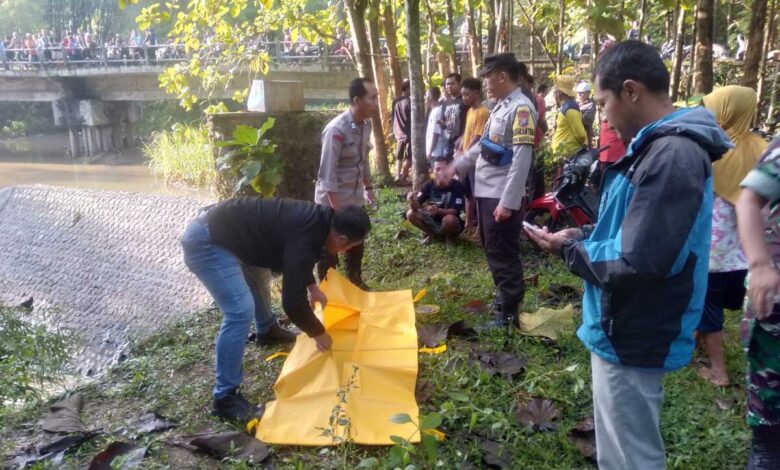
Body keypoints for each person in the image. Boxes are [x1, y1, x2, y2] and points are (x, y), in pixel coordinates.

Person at [526, 40, 732, 470]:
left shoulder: (672, 154)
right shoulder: (657, 147)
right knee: (620, 446)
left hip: (635, 326)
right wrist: (581, 233)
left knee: (631, 456)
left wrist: (570, 249)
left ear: (632, 91)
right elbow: (630, 229)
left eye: (602, 103)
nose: (600, 116)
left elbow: (639, 259)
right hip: (625, 321)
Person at [181, 198, 371, 422]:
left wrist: (312, 287)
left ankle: (267, 330)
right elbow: (292, 303)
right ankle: (225, 398)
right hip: (208, 240)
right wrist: (319, 333)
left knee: (259, 275)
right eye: (348, 247)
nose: (346, 250)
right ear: (341, 239)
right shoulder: (309, 233)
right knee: (240, 311)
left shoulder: (320, 221)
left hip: (235, 237)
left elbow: (297, 258)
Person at [695, 86, 768, 387]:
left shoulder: (715, 151)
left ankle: (718, 369)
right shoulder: (763, 148)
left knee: (708, 306)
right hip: (749, 252)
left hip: (714, 250)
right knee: (725, 306)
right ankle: (697, 340)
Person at [463, 52, 537, 328]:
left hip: (501, 194)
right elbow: (483, 146)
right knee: (493, 248)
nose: (485, 82)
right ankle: (504, 301)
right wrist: (455, 166)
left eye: (487, 76)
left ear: (502, 76)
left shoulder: (521, 109)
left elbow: (522, 158)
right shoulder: (501, 106)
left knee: (502, 251)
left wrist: (508, 202)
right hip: (487, 190)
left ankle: (508, 314)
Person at [736, 137, 780, 470]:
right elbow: (748, 200)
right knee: (769, 377)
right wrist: (761, 265)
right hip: (775, 290)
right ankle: (765, 444)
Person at [315, 77, 378, 290]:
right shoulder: (336, 130)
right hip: (332, 201)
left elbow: (363, 159)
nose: (376, 103)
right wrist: (336, 210)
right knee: (329, 248)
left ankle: (355, 282)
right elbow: (327, 174)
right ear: (357, 100)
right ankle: (329, 290)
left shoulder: (366, 125)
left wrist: (368, 187)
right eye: (373, 98)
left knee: (356, 241)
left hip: (354, 197)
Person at [406, 157, 467, 246]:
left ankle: (449, 238)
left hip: (450, 221)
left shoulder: (457, 186)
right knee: (410, 213)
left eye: (443, 169)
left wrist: (439, 210)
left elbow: (455, 211)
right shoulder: (428, 184)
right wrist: (411, 200)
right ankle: (430, 234)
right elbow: (416, 207)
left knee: (450, 219)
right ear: (433, 170)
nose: (440, 172)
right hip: (431, 219)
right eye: (437, 169)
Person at [551, 75, 587, 164]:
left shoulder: (570, 109)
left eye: (555, 91)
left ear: (559, 93)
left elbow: (581, 134)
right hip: (564, 154)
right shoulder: (566, 106)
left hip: (568, 156)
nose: (554, 94)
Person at [441, 73, 468, 159]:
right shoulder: (445, 102)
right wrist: (443, 124)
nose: (449, 86)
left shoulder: (465, 101)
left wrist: (463, 136)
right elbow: (444, 121)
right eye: (447, 84)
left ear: (459, 84)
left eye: (452, 83)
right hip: (448, 142)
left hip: (462, 142)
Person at [391, 80, 412, 184]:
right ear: (407, 89)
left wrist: (394, 129)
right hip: (408, 133)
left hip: (398, 132)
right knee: (409, 156)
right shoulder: (410, 102)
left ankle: (397, 175)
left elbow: (392, 116)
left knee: (398, 156)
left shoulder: (396, 101)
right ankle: (404, 177)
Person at [425, 86, 447, 165]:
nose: (425, 98)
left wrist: (430, 152)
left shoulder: (437, 111)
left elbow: (435, 133)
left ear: (430, 97)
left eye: (426, 95)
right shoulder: (433, 111)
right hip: (434, 151)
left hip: (437, 151)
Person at [575, 81, 596, 148]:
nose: (579, 95)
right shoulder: (576, 103)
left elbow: (586, 120)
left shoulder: (590, 106)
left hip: (585, 135)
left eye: (581, 93)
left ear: (588, 93)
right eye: (578, 93)